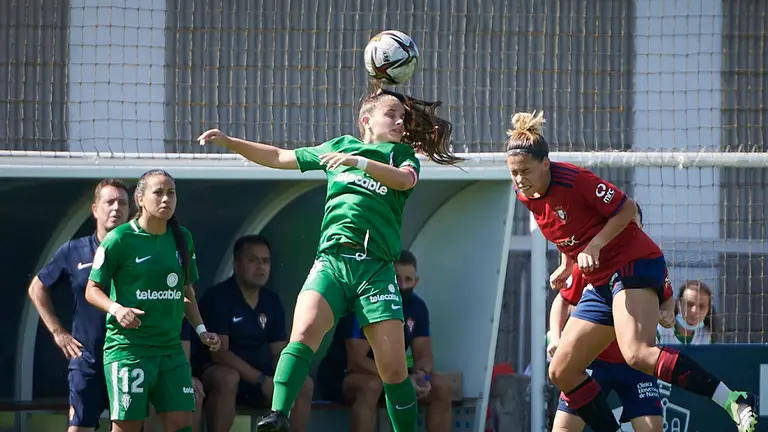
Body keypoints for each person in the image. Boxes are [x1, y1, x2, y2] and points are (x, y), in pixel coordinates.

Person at [197, 85, 461, 432]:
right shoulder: (339, 146)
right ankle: (277, 415)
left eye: (403, 117)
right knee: (303, 332)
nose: (400, 122)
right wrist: (232, 143)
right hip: (333, 262)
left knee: (394, 369)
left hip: (376, 269)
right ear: (367, 119)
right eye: (392, 114)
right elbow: (280, 157)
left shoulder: (400, 156)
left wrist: (360, 162)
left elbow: (404, 180)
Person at [505, 111, 757, 432]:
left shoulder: (574, 180)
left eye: (525, 170)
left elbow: (627, 208)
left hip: (631, 264)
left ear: (546, 163)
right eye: (513, 173)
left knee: (637, 354)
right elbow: (567, 230)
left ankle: (733, 399)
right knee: (562, 371)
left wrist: (596, 247)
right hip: (602, 282)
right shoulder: (526, 195)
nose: (520, 179)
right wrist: (567, 264)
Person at [84, 169, 221, 432]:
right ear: (140, 199)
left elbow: (186, 292)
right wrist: (117, 309)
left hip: (170, 350)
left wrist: (202, 331)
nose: (166, 199)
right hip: (130, 350)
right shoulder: (120, 239)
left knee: (182, 422)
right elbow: (92, 290)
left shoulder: (183, 238)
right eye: (158, 193)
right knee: (128, 426)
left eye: (171, 193)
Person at [548, 205, 675, 432]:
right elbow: (563, 300)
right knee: (564, 428)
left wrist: (668, 313)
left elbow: (667, 297)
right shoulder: (589, 263)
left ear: (641, 229)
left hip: (637, 366)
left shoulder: (650, 262)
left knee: (652, 428)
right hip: (593, 362)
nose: (626, 231)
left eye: (632, 225)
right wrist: (556, 338)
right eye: (620, 226)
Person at [28, 179, 130, 432]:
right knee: (79, 428)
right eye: (110, 202)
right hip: (88, 360)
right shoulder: (73, 250)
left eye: (122, 203)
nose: (116, 208)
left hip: (130, 359)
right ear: (95, 209)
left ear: (131, 211)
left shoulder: (142, 252)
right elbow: (36, 288)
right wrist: (58, 332)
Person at [316, 250, 453, 432]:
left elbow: (425, 354)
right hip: (343, 373)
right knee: (372, 385)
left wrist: (421, 375)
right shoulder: (367, 301)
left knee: (441, 386)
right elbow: (357, 360)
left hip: (390, 375)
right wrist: (401, 381)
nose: (403, 286)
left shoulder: (417, 307)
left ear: (416, 282)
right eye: (397, 278)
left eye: (408, 280)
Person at [196, 235, 313, 432]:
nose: (260, 267)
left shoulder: (272, 301)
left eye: (265, 261)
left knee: (302, 383)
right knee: (227, 378)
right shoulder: (217, 297)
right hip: (223, 375)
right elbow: (219, 353)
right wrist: (261, 380)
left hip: (262, 377)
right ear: (236, 263)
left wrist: (282, 379)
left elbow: (278, 351)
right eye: (253, 260)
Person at [145, 320, 205, 432]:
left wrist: (187, 378)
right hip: (143, 368)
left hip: (173, 369)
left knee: (194, 392)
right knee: (155, 393)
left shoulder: (178, 310)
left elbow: (185, 357)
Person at [657, 280, 715, 345]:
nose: (695, 311)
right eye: (689, 304)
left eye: (701, 306)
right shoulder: (660, 330)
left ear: (708, 309)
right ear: (679, 305)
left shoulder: (707, 336)